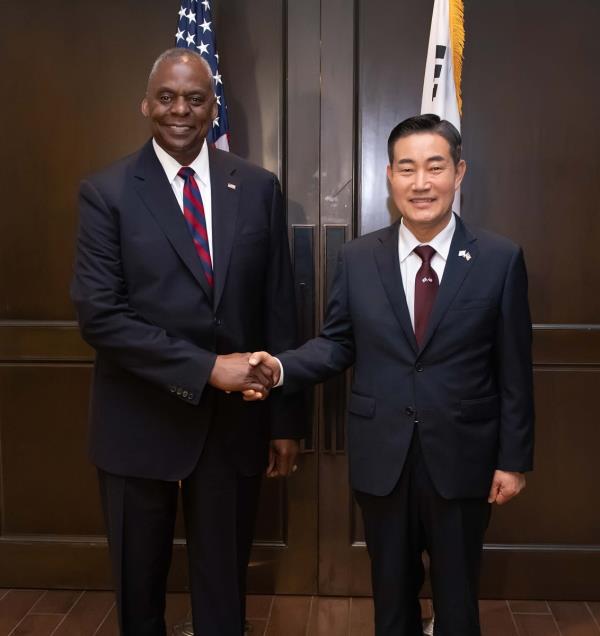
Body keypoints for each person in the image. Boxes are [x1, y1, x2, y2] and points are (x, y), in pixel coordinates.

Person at [245, 115, 534, 636]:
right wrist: (282, 367)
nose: (421, 183)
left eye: (435, 167)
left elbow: (513, 369)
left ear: (459, 172)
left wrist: (513, 460)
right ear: (389, 177)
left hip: (464, 459)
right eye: (407, 168)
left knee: (459, 602)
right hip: (384, 459)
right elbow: (337, 343)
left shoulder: (499, 259)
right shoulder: (359, 258)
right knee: (391, 599)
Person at [71, 48, 303, 636]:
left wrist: (284, 422)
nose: (181, 110)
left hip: (232, 428)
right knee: (138, 591)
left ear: (212, 107)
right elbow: (101, 315)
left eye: (195, 99)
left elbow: (278, 306)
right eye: (168, 97)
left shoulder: (256, 187)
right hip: (136, 422)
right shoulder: (107, 192)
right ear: (146, 104)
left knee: (224, 591)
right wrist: (206, 369)